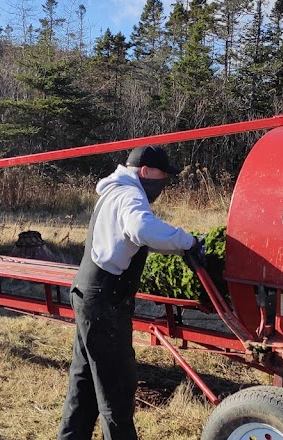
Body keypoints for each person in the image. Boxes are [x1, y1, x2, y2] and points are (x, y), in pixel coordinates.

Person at [57, 145, 203, 440]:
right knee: (117, 391)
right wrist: (188, 242)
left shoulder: (115, 190)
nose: (163, 184)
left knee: (84, 385)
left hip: (90, 294)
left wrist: (177, 244)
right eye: (163, 177)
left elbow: (141, 235)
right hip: (104, 303)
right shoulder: (129, 195)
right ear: (146, 172)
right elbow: (141, 228)